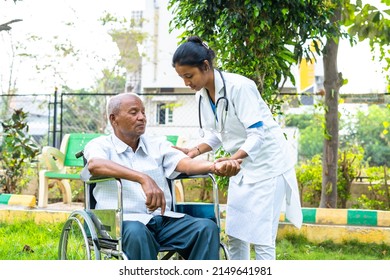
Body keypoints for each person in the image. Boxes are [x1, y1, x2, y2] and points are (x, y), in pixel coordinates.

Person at [172, 36, 303, 260]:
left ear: (205, 66)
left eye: (189, 75)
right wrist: (194, 151)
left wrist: (234, 159)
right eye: (182, 77)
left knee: (262, 239)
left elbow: (257, 132)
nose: (186, 82)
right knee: (235, 235)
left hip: (268, 167)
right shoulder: (201, 95)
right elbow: (217, 133)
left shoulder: (240, 87)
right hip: (241, 170)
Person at [82, 92, 241, 260]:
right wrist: (143, 178)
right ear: (114, 119)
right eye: (134, 112)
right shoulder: (100, 145)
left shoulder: (157, 144)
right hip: (122, 223)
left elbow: (186, 163)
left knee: (206, 228)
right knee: (137, 232)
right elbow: (95, 165)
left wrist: (215, 166)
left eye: (143, 112)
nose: (142, 117)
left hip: (162, 221)